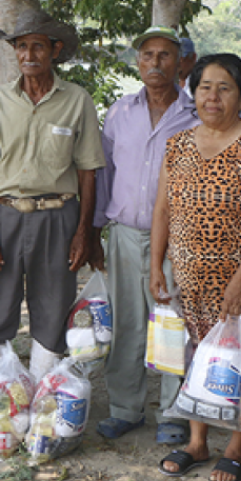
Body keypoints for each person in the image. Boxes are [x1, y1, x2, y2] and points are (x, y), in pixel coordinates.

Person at [150, 53, 241, 481]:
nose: (212, 96)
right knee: (197, 358)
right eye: (205, 87)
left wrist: (240, 281)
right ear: (194, 94)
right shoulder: (177, 145)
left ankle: (237, 447)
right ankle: (196, 442)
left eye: (224, 87)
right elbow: (162, 210)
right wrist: (156, 264)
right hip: (192, 281)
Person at [0, 8, 105, 381]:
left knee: (52, 307)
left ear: (54, 50)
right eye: (21, 47)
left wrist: (83, 233)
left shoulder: (77, 101)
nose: (28, 56)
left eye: (37, 47)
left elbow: (88, 172)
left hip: (59, 216)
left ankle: (43, 401)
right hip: (5, 215)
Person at [93, 26, 199, 444]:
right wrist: (96, 228)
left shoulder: (194, 116)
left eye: (165, 56)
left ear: (181, 63)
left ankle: (172, 412)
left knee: (171, 322)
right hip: (122, 234)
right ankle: (125, 407)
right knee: (127, 322)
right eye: (147, 55)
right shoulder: (120, 112)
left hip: (177, 239)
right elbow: (106, 173)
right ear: (138, 63)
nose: (155, 63)